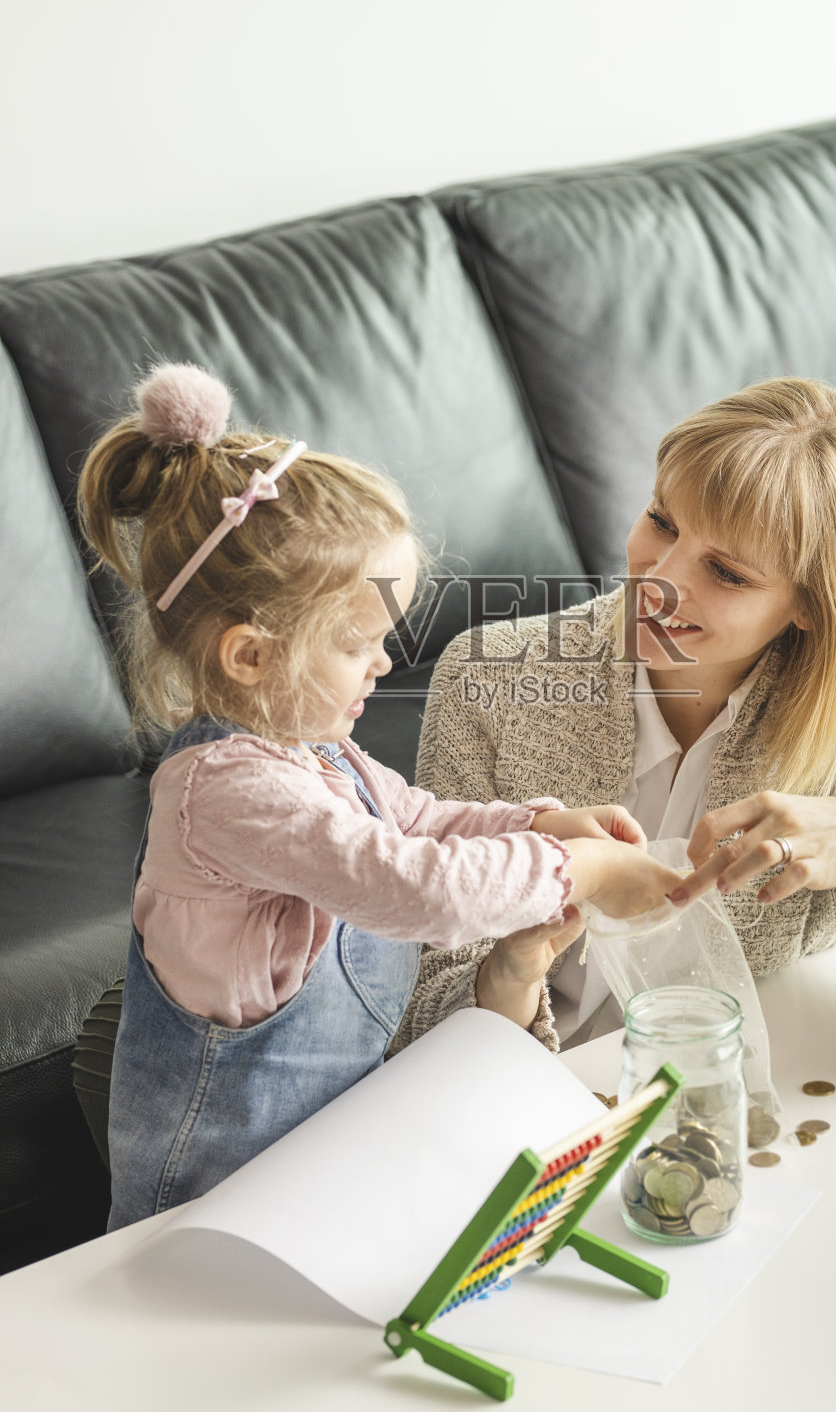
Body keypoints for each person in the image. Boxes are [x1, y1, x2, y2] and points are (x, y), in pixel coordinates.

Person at [79, 362, 684, 1230]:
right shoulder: (225, 793)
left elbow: (418, 820)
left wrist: (537, 821)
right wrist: (573, 868)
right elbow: (414, 886)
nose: (384, 662)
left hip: (316, 1178)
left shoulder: (318, 754)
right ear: (250, 657)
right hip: (209, 1211)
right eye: (358, 642)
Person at [401, 377, 836, 1066]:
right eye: (661, 522)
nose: (660, 580)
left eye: (727, 573)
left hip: (750, 1086)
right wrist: (508, 974)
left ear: (811, 607)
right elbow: (419, 1017)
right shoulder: (489, 679)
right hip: (530, 1091)